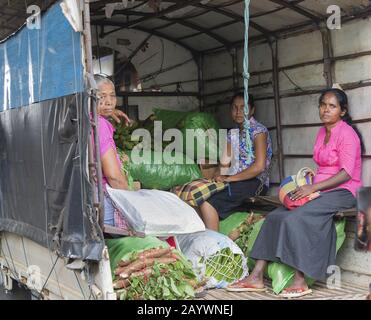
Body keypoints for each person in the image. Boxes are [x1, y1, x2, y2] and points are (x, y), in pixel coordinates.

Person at [227, 88, 363, 298]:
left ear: (342, 111)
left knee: (299, 217)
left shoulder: (347, 134)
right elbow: (323, 166)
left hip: (343, 191)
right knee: (276, 216)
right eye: (323, 105)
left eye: (332, 106)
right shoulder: (322, 131)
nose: (326, 110)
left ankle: (300, 280)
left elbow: (345, 174)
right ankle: (256, 276)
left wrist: (314, 188)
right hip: (319, 187)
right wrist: (309, 180)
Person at [198, 92, 273, 231]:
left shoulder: (258, 131)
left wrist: (230, 179)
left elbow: (259, 167)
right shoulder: (232, 133)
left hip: (255, 182)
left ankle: (215, 246)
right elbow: (225, 162)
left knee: (209, 204)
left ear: (252, 110)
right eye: (234, 108)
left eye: (243, 108)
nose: (238, 112)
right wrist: (218, 175)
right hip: (235, 180)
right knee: (200, 195)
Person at [94, 74, 130, 226]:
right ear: (90, 97)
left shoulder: (83, 119)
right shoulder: (100, 125)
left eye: (112, 96)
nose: (109, 102)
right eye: (102, 96)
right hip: (104, 203)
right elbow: (114, 176)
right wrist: (131, 202)